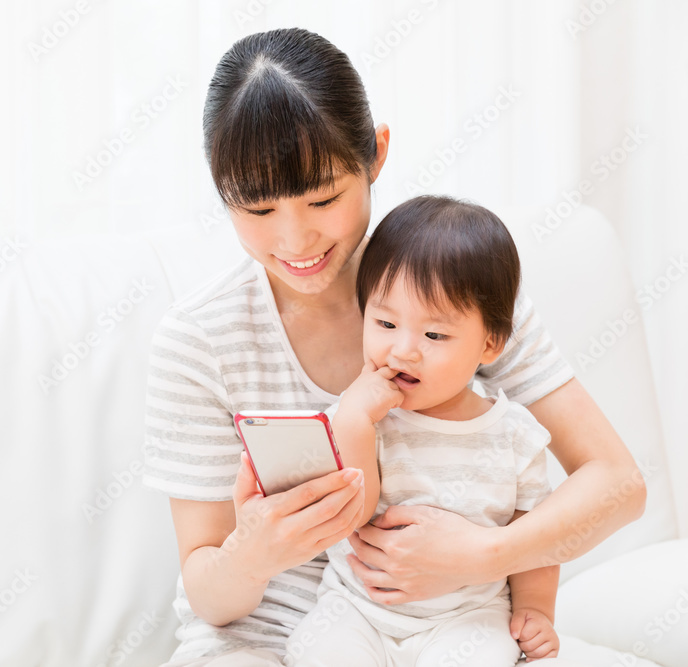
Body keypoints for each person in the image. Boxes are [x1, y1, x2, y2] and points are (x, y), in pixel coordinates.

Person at [141, 27, 644, 667]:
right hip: (261, 642)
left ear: (376, 155)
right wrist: (254, 551)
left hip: (449, 626)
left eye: (323, 198)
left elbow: (619, 484)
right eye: (258, 211)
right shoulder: (198, 342)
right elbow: (209, 597)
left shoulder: (449, 295)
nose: (295, 241)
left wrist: (481, 555)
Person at [285, 195, 560, 666]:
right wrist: (353, 421)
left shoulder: (515, 436)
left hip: (467, 616)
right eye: (386, 323)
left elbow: (532, 536)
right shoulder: (356, 416)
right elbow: (352, 514)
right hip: (359, 609)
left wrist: (537, 610)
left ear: (490, 343)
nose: (404, 350)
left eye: (434, 335)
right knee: (318, 650)